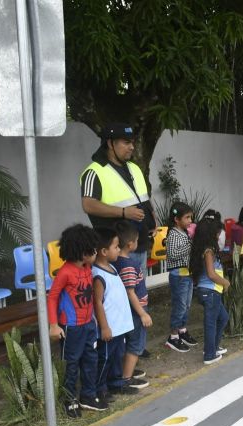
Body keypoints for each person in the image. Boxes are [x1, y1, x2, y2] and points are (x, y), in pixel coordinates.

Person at [79, 123, 157, 278]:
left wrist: (153, 220)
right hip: (116, 251)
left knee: (138, 292)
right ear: (110, 143)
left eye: (132, 142)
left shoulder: (133, 167)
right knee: (123, 297)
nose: (132, 147)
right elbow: (88, 205)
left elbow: (144, 198)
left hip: (139, 244)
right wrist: (123, 212)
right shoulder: (94, 172)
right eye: (126, 142)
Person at [47, 224, 100, 418]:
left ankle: (88, 394)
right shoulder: (65, 272)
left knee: (90, 359)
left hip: (88, 324)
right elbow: (52, 297)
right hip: (71, 327)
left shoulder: (88, 267)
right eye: (92, 250)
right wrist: (54, 325)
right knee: (71, 363)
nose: (95, 252)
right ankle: (69, 399)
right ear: (82, 251)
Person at [92, 227, 135, 402]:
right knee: (106, 358)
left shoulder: (111, 267)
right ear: (103, 251)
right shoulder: (98, 275)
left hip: (119, 326)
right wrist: (104, 327)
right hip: (110, 328)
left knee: (117, 355)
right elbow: (98, 302)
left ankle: (115, 382)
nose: (119, 249)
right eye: (116, 247)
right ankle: (100, 388)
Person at [112, 221, 151, 389]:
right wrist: (142, 313)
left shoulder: (116, 261)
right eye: (136, 240)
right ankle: (127, 378)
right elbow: (130, 292)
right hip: (135, 311)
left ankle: (125, 370)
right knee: (136, 343)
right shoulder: (128, 265)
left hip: (127, 311)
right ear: (130, 244)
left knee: (126, 343)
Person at [191, 213, 231, 365]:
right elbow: (211, 274)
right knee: (211, 322)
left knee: (223, 317)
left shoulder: (205, 248)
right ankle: (209, 354)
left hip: (210, 291)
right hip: (210, 291)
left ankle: (213, 346)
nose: (220, 235)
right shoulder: (208, 251)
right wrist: (225, 282)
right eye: (218, 232)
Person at [164, 202, 197, 352]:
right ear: (177, 219)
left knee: (187, 304)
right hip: (178, 275)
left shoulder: (184, 233)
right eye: (187, 218)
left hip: (187, 274)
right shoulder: (173, 234)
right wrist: (190, 244)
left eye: (191, 217)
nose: (190, 221)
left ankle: (182, 330)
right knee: (180, 305)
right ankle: (173, 336)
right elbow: (172, 254)